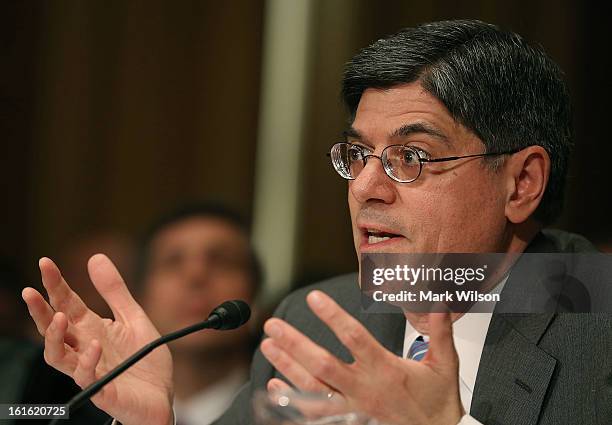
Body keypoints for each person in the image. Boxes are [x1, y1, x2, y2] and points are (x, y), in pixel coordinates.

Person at [21, 19, 611, 425]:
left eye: (413, 157)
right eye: (358, 156)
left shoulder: (598, 324)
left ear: (522, 183)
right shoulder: (317, 319)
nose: (366, 188)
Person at [134, 203, 262, 425]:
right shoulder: (80, 411)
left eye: (221, 261)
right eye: (173, 262)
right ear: (140, 298)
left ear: (254, 293)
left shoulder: (291, 412)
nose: (196, 275)